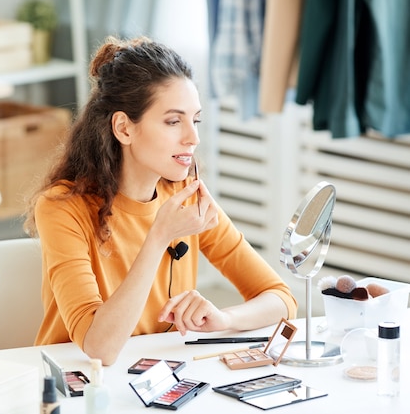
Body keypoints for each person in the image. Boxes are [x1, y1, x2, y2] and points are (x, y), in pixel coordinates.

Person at [23, 36, 297, 365]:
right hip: (78, 383)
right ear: (124, 128)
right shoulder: (61, 208)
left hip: (158, 378)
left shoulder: (187, 199)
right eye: (172, 121)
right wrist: (158, 237)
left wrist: (224, 319)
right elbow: (99, 348)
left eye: (194, 120)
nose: (192, 137)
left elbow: (281, 299)